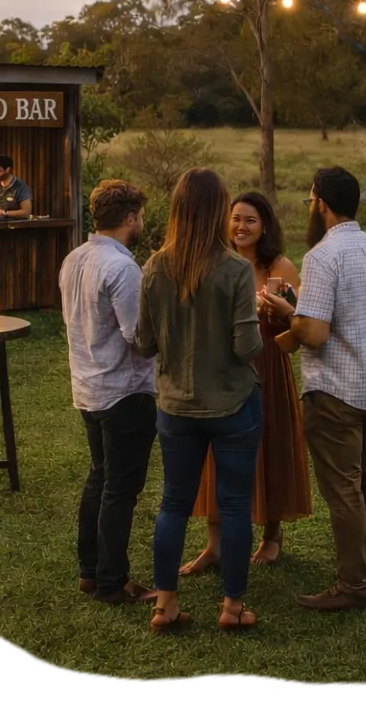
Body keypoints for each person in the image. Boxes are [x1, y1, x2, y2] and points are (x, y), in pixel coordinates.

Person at [263, 167, 366, 611]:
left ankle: (353, 583)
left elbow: (316, 333)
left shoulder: (324, 257)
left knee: (343, 488)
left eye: (310, 202)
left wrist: (289, 313)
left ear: (320, 203)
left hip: (336, 388)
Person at [135, 168, 262, 634]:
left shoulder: (154, 266)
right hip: (233, 403)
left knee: (173, 504)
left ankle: (165, 604)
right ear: (217, 211)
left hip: (175, 405)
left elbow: (144, 343)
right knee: (234, 505)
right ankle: (231, 607)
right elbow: (247, 346)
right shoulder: (234, 269)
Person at [180, 191, 313, 575]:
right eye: (235, 218)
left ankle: (272, 535)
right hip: (220, 370)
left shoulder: (280, 266)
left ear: (265, 225)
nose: (240, 226)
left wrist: (279, 311)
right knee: (215, 454)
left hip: (266, 367)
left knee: (268, 444)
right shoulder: (214, 262)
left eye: (250, 220)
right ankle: (214, 545)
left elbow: (298, 321)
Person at [60, 179, 160, 606]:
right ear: (131, 218)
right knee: (120, 487)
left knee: (99, 478)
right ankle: (112, 582)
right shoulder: (122, 268)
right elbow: (139, 337)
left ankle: (90, 571)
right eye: (140, 216)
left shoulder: (74, 258)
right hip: (125, 390)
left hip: (88, 385)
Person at [0, 155, 33, 220]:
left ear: (8, 169)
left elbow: (26, 212)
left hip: (12, 225)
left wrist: (4, 213)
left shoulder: (21, 187)